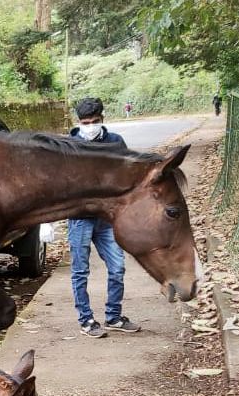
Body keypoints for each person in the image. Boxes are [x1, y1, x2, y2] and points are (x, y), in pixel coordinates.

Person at [67, 97, 140, 338]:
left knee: (117, 267)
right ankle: (86, 320)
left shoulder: (115, 142)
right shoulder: (70, 145)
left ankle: (113, 316)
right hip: (80, 217)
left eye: (94, 121)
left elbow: (127, 174)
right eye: (85, 122)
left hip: (106, 218)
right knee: (80, 270)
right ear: (78, 122)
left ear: (102, 119)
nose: (90, 126)